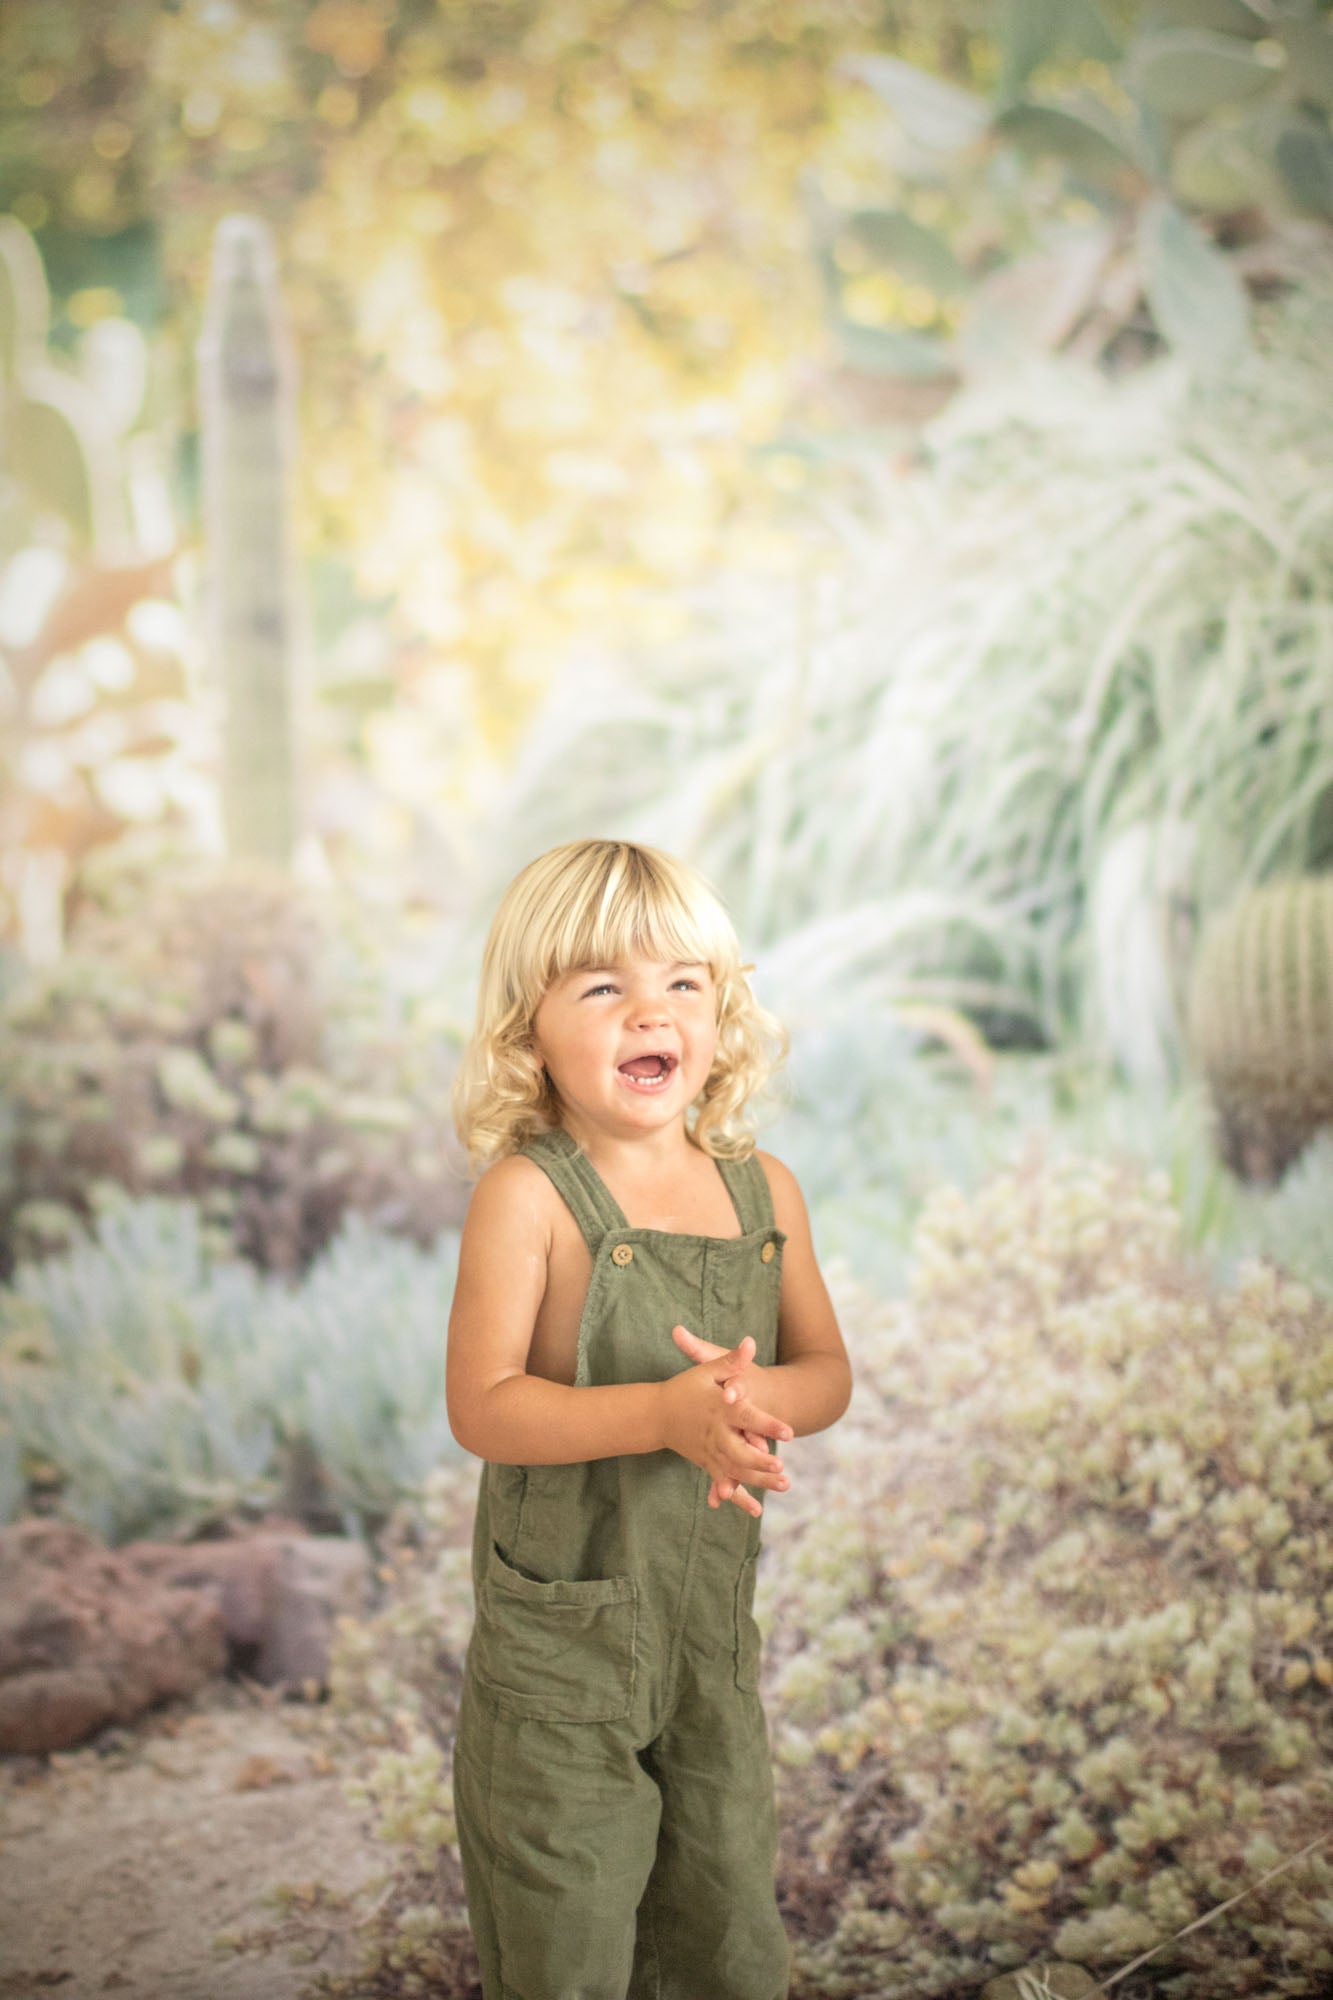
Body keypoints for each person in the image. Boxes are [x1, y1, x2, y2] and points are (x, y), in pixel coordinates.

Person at [446, 837, 852, 2000]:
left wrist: (749, 1398)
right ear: (530, 1027)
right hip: (563, 1647)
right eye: (602, 987)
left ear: (721, 1013)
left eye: (683, 982)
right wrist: (665, 1412)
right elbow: (483, 1405)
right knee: (566, 1917)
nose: (648, 1012)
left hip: (706, 1641)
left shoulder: (761, 1190)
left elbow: (825, 1369)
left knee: (718, 1915)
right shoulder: (527, 1197)